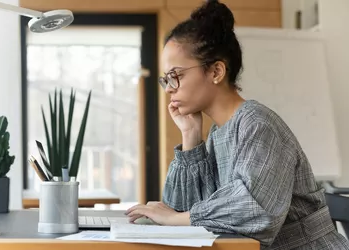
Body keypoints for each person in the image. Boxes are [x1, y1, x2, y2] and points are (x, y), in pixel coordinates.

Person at [125, 0, 349, 249]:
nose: (169, 89)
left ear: (216, 72)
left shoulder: (258, 124)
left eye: (176, 76)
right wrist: (190, 135)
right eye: (165, 79)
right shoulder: (218, 133)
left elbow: (256, 211)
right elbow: (185, 212)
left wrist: (174, 217)